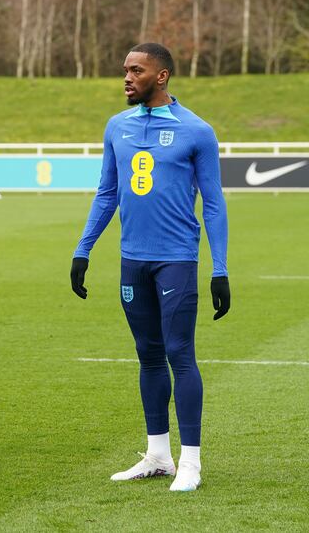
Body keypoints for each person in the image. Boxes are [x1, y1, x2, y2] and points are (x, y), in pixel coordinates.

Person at [70, 43, 230, 492]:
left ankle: (191, 462)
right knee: (147, 355)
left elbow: (214, 204)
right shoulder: (116, 126)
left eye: (135, 70)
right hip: (132, 260)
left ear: (161, 77)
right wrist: (83, 250)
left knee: (179, 352)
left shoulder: (196, 131)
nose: (126, 77)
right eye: (124, 69)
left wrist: (220, 268)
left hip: (176, 259)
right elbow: (107, 193)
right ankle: (158, 455)